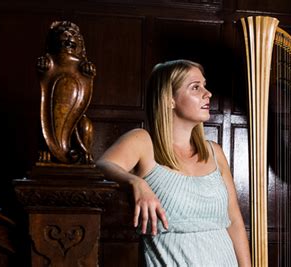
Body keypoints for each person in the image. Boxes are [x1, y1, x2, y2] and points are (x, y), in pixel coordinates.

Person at [96, 59, 251, 266]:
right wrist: (136, 182)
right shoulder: (143, 142)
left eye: (204, 86)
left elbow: (235, 223)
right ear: (169, 99)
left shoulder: (214, 152)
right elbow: (102, 165)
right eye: (195, 87)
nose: (208, 93)